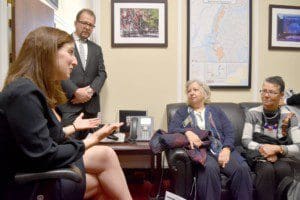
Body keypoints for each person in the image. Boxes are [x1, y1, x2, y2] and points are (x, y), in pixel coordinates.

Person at [0, 27, 132, 200]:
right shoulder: (24, 93)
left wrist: (75, 127)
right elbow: (44, 155)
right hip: (26, 184)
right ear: (48, 52)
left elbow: (46, 138)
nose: (74, 61)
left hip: (34, 168)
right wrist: (92, 139)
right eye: (70, 52)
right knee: (104, 182)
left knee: (106, 156)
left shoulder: (28, 88)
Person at [168, 80, 253, 200]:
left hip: (220, 147)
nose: (191, 93)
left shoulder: (216, 110)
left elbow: (229, 131)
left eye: (195, 89)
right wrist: (187, 132)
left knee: (242, 169)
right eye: (189, 91)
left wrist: (227, 149)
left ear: (204, 93)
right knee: (209, 169)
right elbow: (172, 129)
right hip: (201, 151)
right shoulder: (182, 112)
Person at [242, 76, 300, 200]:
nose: (266, 95)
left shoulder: (289, 116)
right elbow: (245, 140)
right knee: (266, 169)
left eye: (272, 92)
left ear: (281, 95)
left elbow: (299, 145)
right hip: (258, 155)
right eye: (264, 91)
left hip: (281, 156)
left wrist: (277, 149)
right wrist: (264, 148)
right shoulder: (252, 113)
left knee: (283, 169)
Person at [59, 8, 107, 139]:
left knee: (90, 147)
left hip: (91, 108)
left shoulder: (97, 49)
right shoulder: (62, 42)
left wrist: (90, 92)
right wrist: (76, 92)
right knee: (69, 146)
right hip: (70, 105)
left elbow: (102, 73)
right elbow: (57, 71)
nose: (87, 27)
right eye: (84, 23)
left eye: (91, 25)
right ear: (76, 23)